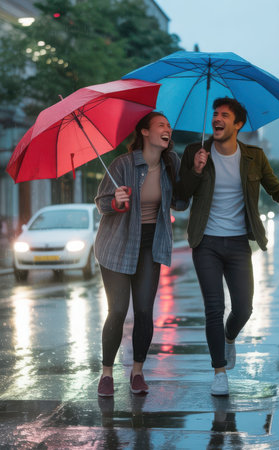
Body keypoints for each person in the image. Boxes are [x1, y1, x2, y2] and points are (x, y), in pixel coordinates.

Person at [177, 97, 279, 396]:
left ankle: (229, 338)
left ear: (238, 124)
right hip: (205, 242)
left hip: (238, 243)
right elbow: (180, 198)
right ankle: (219, 372)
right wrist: (195, 171)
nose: (217, 119)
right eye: (215, 114)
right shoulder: (197, 151)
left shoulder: (254, 157)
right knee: (213, 308)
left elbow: (275, 188)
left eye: (224, 115)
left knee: (244, 308)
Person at [94, 111, 187, 397]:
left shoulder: (172, 163)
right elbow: (101, 203)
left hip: (151, 244)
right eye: (161, 124)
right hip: (117, 243)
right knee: (118, 310)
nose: (167, 129)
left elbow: (181, 203)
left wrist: (194, 172)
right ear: (145, 132)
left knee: (145, 311)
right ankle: (107, 373)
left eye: (169, 126)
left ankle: (137, 371)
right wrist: (116, 200)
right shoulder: (123, 164)